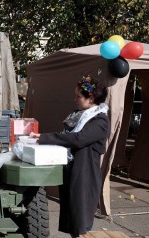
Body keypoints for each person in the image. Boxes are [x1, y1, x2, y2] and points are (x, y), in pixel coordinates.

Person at [30, 74, 109, 237]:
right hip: (72, 171)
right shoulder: (78, 115)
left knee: (80, 219)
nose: (75, 99)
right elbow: (66, 134)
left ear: (91, 98)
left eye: (78, 96)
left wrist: (45, 137)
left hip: (84, 175)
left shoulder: (100, 121)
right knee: (72, 216)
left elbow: (78, 139)